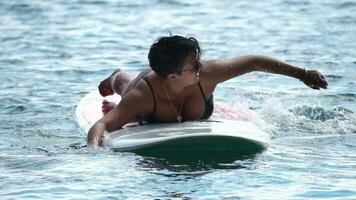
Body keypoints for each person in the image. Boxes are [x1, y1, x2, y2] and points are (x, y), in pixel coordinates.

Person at [87, 35, 328, 147]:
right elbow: (101, 126)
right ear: (173, 76)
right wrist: (94, 153)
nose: (201, 66)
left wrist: (303, 74)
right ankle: (117, 75)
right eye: (194, 65)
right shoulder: (144, 94)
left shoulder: (209, 73)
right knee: (126, 86)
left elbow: (254, 62)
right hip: (143, 87)